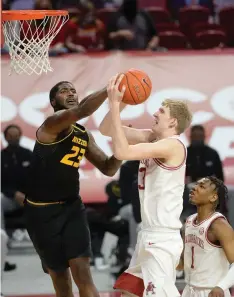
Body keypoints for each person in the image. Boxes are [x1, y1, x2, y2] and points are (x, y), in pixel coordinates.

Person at [24, 81, 122, 297]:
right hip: (41, 212)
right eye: (63, 91)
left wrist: (123, 149)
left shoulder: (83, 134)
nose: (70, 93)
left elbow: (107, 167)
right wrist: (109, 89)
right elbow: (82, 110)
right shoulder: (51, 125)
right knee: (61, 282)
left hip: (72, 208)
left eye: (73, 91)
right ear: (53, 101)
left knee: (83, 273)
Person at [99, 74, 193, 297]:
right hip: (147, 234)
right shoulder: (151, 138)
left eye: (161, 112)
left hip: (162, 239)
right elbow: (106, 129)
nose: (154, 113)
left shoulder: (173, 146)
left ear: (173, 122)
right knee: (128, 293)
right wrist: (120, 103)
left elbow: (121, 152)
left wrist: (113, 104)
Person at [177, 176, 234, 297]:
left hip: (212, 291)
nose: (194, 188)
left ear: (213, 197)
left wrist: (222, 286)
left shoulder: (219, 225)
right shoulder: (189, 221)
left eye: (201, 186)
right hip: (189, 290)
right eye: (196, 184)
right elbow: (183, 262)